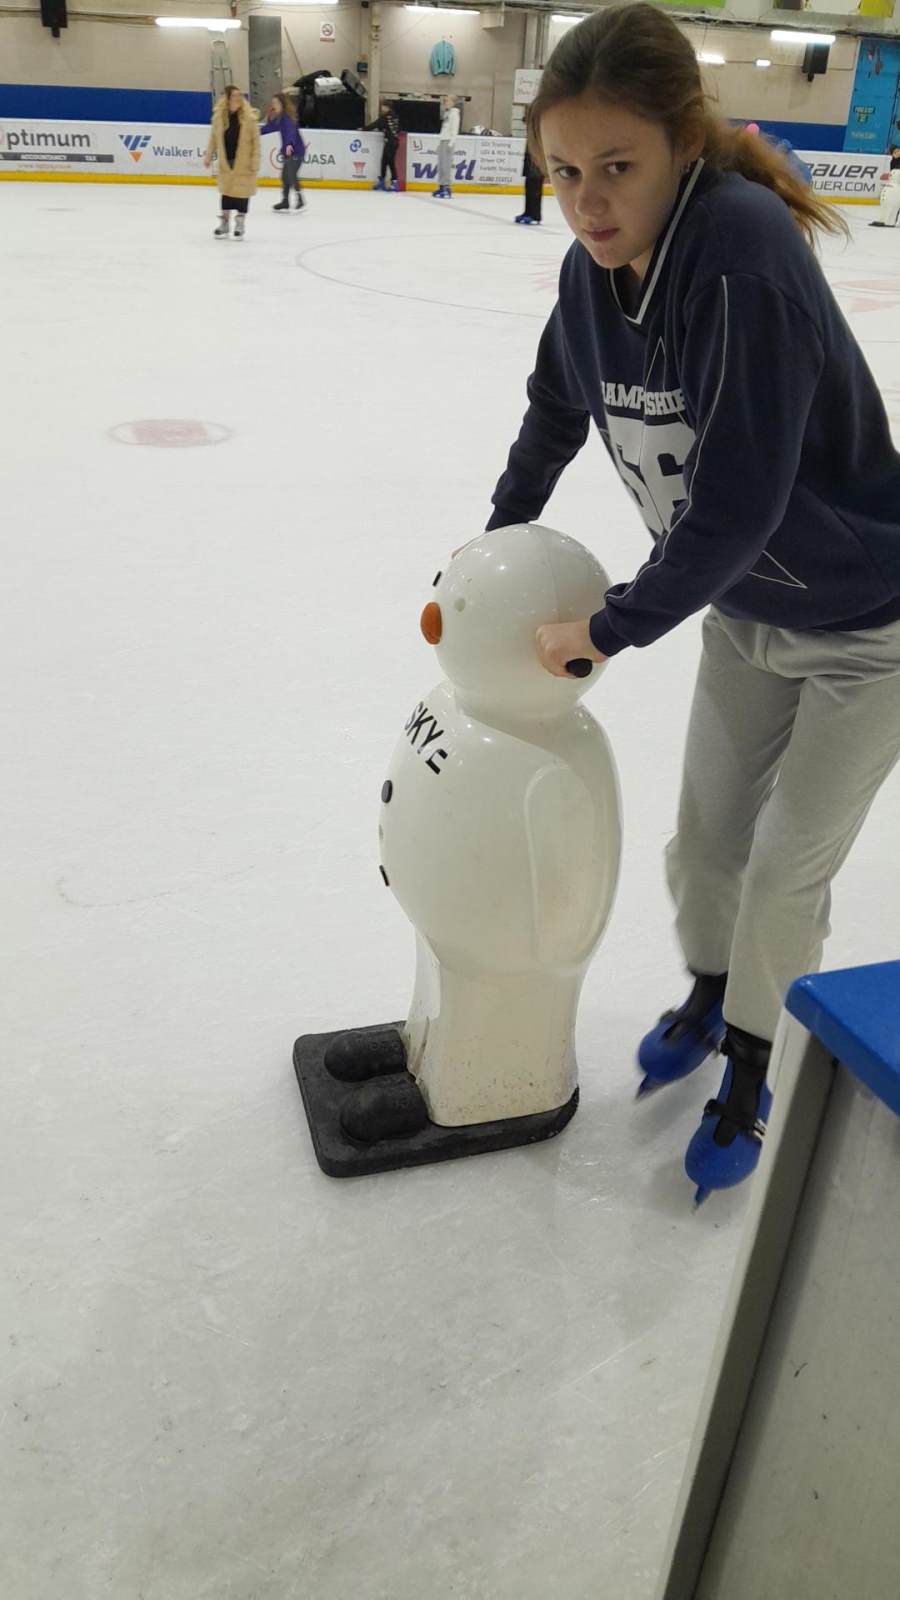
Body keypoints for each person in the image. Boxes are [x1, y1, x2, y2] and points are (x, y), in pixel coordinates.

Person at [487, 4, 900, 1201]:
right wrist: (497, 536)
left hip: (867, 627)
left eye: (617, 167)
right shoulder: (593, 272)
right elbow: (555, 410)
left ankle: (753, 1065)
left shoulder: (739, 256)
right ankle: (715, 993)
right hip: (745, 612)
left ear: (681, 143)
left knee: (782, 872)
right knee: (704, 847)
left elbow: (741, 504)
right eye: (564, 171)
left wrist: (608, 627)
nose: (588, 200)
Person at [204, 85, 260, 239]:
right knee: (227, 194)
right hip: (226, 161)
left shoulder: (249, 118)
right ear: (227, 99)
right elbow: (214, 138)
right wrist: (208, 155)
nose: (238, 98)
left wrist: (255, 161)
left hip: (244, 163)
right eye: (234, 96)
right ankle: (224, 223)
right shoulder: (219, 118)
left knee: (242, 195)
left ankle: (240, 223)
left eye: (239, 95)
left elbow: (256, 142)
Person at [261, 92, 305, 212]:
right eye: (273, 103)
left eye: (276, 103)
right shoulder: (279, 118)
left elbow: (291, 132)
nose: (274, 105)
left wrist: (289, 144)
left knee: (291, 175)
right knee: (285, 177)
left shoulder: (287, 117)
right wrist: (255, 132)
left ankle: (300, 199)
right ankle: (285, 201)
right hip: (288, 151)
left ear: (282, 104)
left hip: (296, 151)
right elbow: (269, 128)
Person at [366, 101, 401, 191]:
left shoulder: (386, 116)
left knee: (390, 162)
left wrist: (364, 128)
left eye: (383, 107)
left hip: (390, 142)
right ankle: (382, 181)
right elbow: (398, 129)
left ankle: (395, 182)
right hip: (394, 141)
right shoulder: (395, 116)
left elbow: (375, 124)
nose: (382, 108)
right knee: (384, 161)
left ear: (387, 107)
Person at [433, 94, 461, 200]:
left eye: (448, 101)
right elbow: (444, 129)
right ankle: (441, 186)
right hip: (443, 140)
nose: (446, 102)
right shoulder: (447, 113)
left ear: (453, 102)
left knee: (446, 165)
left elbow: (454, 130)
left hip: (449, 141)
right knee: (441, 165)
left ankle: (446, 187)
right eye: (445, 101)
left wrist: (451, 143)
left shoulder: (455, 113)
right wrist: (439, 143)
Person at [871, 146, 900, 228]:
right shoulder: (892, 162)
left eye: (899, 150)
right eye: (896, 152)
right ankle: (888, 220)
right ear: (892, 154)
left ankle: (890, 220)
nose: (898, 153)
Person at [516, 147, 544, 225]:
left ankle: (535, 215)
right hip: (530, 159)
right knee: (529, 187)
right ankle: (528, 212)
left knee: (535, 189)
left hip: (538, 161)